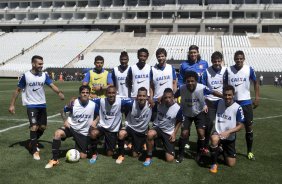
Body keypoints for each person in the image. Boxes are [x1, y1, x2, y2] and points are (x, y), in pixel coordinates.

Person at [8, 55, 65, 160]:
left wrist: (59, 93)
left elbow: (52, 85)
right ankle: (34, 150)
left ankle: (32, 142)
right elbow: (17, 90)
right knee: (34, 126)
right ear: (33, 64)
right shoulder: (26, 76)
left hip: (42, 104)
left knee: (42, 127)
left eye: (42, 64)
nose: (41, 66)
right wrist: (12, 105)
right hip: (31, 105)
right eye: (39, 64)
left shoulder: (44, 75)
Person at [45, 85, 99, 168]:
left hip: (83, 133)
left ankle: (89, 150)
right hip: (71, 128)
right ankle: (54, 159)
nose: (85, 94)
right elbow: (62, 111)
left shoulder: (93, 105)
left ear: (89, 94)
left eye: (87, 93)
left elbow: (99, 115)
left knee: (83, 156)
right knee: (57, 133)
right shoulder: (73, 103)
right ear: (80, 94)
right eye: (83, 92)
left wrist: (95, 121)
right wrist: (65, 121)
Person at [175, 71, 222, 164]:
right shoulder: (181, 88)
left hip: (199, 112)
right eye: (188, 81)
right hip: (186, 112)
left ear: (196, 81)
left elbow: (213, 92)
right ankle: (180, 153)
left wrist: (223, 96)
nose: (190, 83)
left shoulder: (201, 87)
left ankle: (199, 153)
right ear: (185, 81)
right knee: (184, 133)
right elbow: (172, 95)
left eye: (192, 81)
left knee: (201, 133)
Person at [224, 50, 259, 160]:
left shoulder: (249, 69)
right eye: (237, 58)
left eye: (241, 58)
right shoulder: (228, 70)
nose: (239, 60)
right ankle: (228, 150)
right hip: (232, 103)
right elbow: (225, 85)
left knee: (248, 127)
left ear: (244, 59)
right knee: (230, 127)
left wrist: (257, 97)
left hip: (246, 102)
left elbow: (256, 82)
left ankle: (249, 152)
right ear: (234, 59)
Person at [88, 86, 131, 164]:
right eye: (109, 93)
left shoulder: (121, 101)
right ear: (106, 94)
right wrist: (74, 100)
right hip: (102, 126)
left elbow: (134, 100)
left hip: (113, 129)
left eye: (113, 93)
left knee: (109, 154)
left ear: (116, 93)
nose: (111, 95)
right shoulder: (101, 101)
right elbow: (87, 99)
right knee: (93, 133)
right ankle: (94, 153)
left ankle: (110, 146)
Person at [143, 88, 183, 166]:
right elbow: (153, 100)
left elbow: (179, 121)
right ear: (163, 97)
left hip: (168, 132)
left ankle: (165, 145)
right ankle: (149, 156)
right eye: (165, 97)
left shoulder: (178, 109)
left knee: (170, 159)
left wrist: (174, 133)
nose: (167, 99)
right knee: (150, 134)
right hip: (158, 128)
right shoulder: (159, 103)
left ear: (173, 97)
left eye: (169, 97)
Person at [209, 85, 244, 173]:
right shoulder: (219, 102)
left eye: (229, 95)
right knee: (214, 139)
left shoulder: (238, 108)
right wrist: (205, 104)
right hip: (218, 132)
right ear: (223, 95)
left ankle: (220, 149)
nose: (227, 97)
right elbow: (209, 103)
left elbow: (240, 126)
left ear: (233, 95)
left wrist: (228, 132)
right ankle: (214, 164)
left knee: (231, 164)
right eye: (225, 95)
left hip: (230, 137)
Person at [115, 87, 152, 164]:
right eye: (140, 95)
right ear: (136, 97)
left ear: (147, 97)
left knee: (135, 155)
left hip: (141, 131)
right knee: (121, 134)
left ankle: (138, 144)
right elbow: (118, 101)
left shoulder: (151, 105)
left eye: (143, 96)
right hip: (130, 127)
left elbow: (164, 101)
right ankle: (121, 155)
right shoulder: (130, 103)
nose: (141, 98)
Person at [201, 51, 226, 149]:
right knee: (209, 123)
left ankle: (220, 144)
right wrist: (204, 103)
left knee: (222, 123)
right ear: (211, 61)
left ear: (221, 61)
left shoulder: (225, 71)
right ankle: (206, 144)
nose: (217, 63)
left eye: (219, 61)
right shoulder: (206, 72)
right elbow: (202, 89)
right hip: (210, 101)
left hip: (222, 101)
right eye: (215, 61)